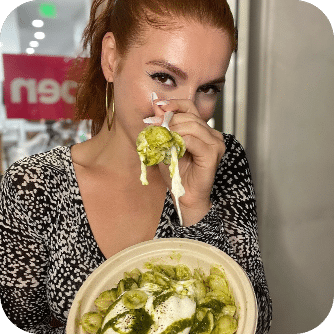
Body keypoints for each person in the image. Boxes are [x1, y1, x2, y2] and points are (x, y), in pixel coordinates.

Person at [0, 0, 272, 333]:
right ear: (111, 58)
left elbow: (256, 320)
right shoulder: (33, 184)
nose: (186, 112)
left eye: (208, 89)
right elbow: (21, 321)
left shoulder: (222, 160)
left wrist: (195, 207)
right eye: (164, 77)